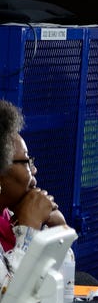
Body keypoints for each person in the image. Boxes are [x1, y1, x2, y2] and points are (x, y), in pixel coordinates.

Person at [0, 100, 66, 289]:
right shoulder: (25, 220)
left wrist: (57, 233)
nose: (34, 170)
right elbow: (8, 301)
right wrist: (29, 230)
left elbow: (59, 284)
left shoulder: (12, 216)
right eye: (25, 161)